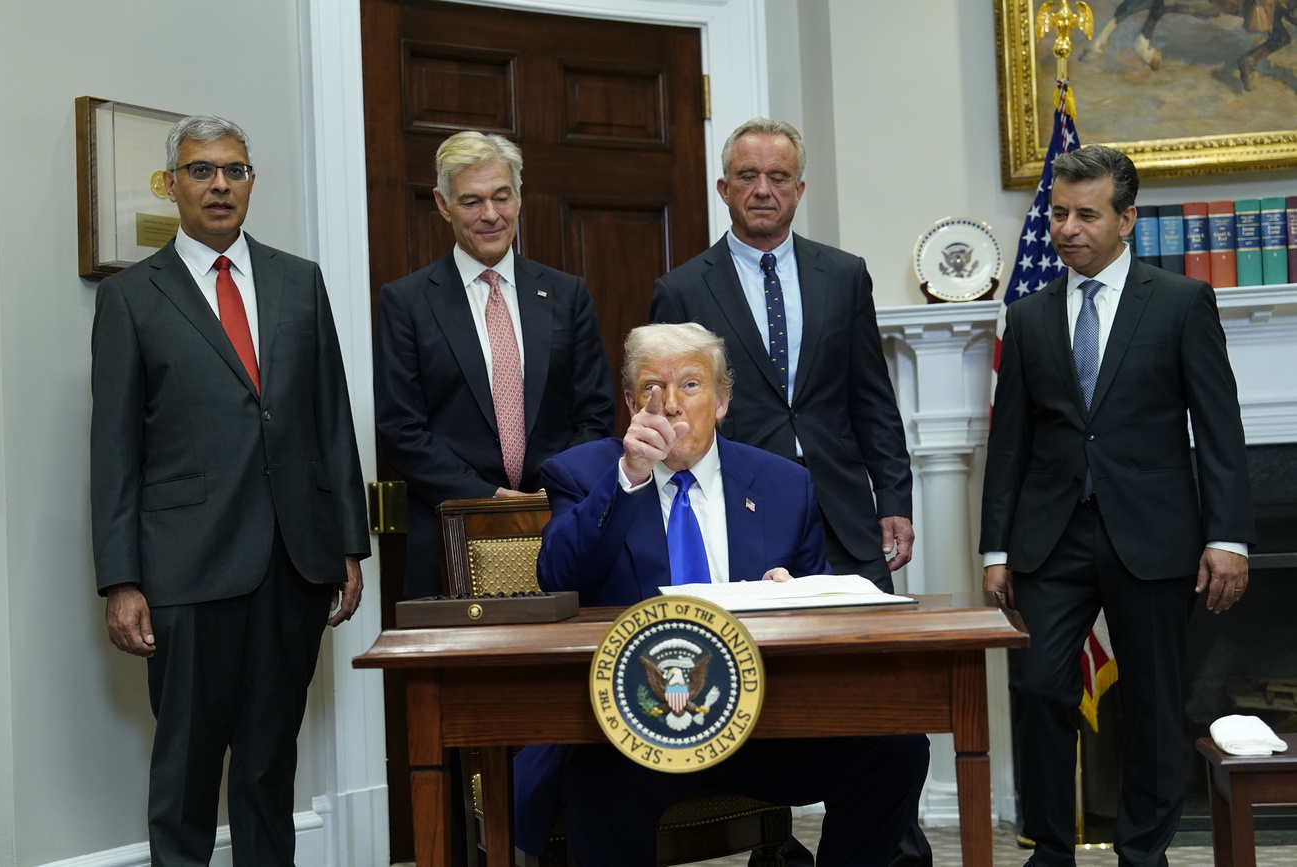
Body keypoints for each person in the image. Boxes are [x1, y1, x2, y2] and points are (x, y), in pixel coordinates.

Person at [513, 322, 929, 866]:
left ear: (723, 400)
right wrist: (630, 476)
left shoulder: (783, 484)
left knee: (896, 749)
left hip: (759, 720)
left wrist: (792, 600)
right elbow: (558, 577)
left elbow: (825, 622)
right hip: (636, 725)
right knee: (599, 780)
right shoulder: (584, 473)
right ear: (631, 404)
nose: (670, 404)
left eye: (690, 384)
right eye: (651, 388)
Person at [90, 115, 370, 866]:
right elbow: (113, 450)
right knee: (186, 771)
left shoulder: (299, 280)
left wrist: (348, 542)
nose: (219, 185)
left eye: (234, 170)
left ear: (250, 181)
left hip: (294, 560)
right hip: (185, 567)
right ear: (171, 184)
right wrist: (121, 579)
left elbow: (331, 418)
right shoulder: (131, 297)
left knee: (268, 766)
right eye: (201, 170)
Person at [651, 117, 929, 867]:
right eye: (748, 177)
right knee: (761, 682)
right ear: (723, 188)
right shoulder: (683, 287)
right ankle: (774, 847)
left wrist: (893, 496)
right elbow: (676, 416)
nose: (763, 190)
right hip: (749, 517)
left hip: (844, 511)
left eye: (778, 177)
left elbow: (871, 396)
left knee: (876, 692)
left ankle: (888, 851)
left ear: (800, 189)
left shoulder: (844, 274)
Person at [980, 144, 1253, 867]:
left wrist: (1228, 536)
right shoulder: (1028, 316)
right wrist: (996, 548)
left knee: (1155, 703)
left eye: (1086, 214)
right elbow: (1009, 442)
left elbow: (1218, 427)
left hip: (1155, 535)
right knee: (1039, 687)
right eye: (1058, 213)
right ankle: (1050, 850)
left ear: (1126, 219)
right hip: (1051, 538)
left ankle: (1142, 854)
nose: (1067, 228)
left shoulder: (1181, 302)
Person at [374, 131, 616, 599]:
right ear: (443, 204)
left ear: (519, 197)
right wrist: (485, 496)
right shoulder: (406, 303)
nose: (490, 215)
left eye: (501, 197)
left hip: (559, 525)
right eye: (471, 201)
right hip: (450, 534)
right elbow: (401, 427)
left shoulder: (567, 295)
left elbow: (594, 413)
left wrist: (553, 488)